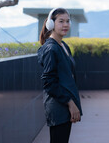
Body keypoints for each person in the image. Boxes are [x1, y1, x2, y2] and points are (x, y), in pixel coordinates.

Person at [37, 8, 82, 143]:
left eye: (68, 21)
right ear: (51, 24)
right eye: (61, 21)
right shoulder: (51, 48)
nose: (65, 25)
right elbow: (49, 82)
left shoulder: (63, 45)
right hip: (59, 105)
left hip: (65, 104)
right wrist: (70, 103)